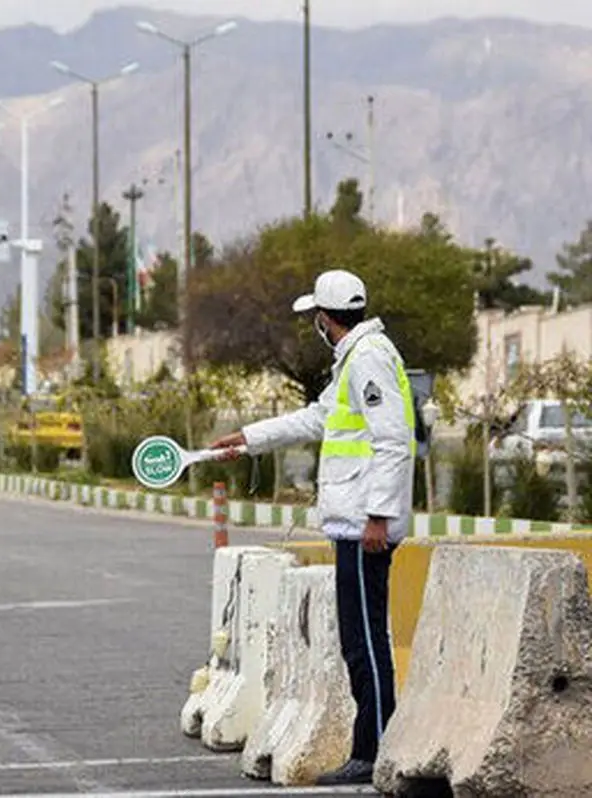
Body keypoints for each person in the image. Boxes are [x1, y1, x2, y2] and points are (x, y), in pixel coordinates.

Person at [209, 268, 415, 786]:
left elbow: (392, 439)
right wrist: (249, 439)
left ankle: (373, 752)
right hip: (352, 523)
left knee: (366, 641)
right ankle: (370, 748)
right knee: (357, 640)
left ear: (325, 319)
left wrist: (378, 516)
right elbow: (315, 419)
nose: (316, 327)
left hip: (365, 526)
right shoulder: (354, 360)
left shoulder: (368, 358)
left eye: (315, 320)